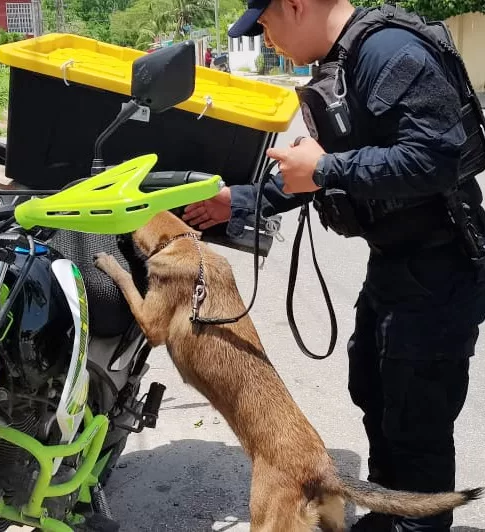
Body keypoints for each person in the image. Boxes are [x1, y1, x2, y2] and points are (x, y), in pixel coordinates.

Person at [184, 1, 485, 531]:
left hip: (439, 274)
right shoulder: (347, 60)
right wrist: (244, 200)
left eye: (266, 23)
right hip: (397, 265)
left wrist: (325, 168)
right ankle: (390, 516)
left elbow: (436, 158)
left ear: (295, 5)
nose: (267, 37)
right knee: (374, 394)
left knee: (415, 422)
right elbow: (327, 166)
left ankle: (418, 525)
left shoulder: (390, 53)